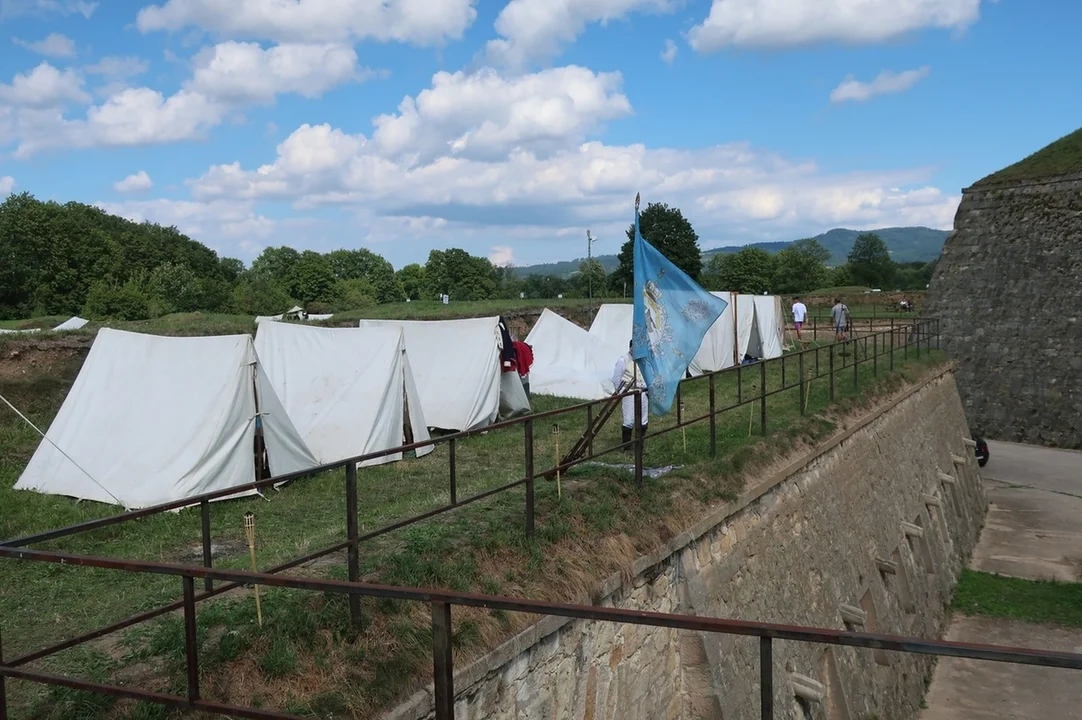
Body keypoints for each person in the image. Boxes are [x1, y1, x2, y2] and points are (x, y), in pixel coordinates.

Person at [613, 341, 649, 453]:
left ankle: (640, 445)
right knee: (629, 419)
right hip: (629, 392)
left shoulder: (643, 360)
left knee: (643, 419)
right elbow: (616, 378)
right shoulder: (623, 360)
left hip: (642, 391)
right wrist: (623, 391)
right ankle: (627, 447)